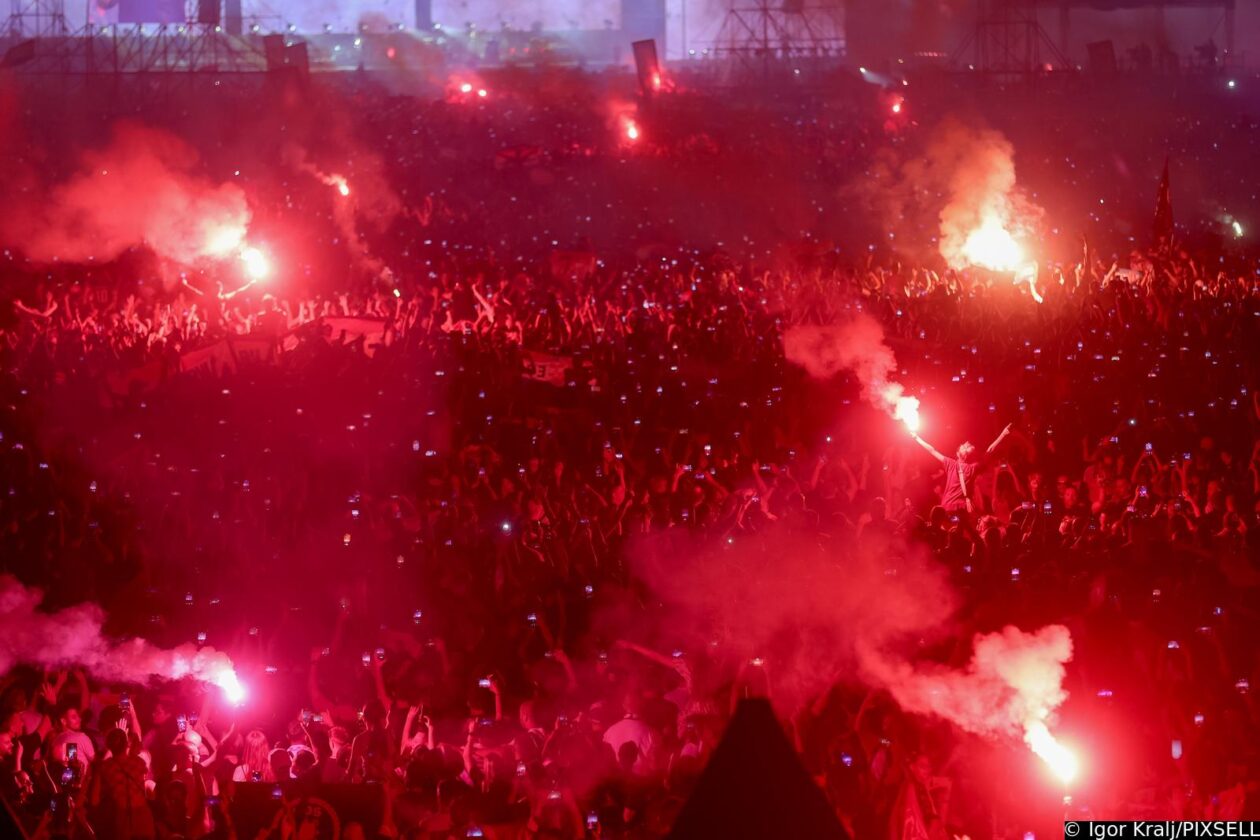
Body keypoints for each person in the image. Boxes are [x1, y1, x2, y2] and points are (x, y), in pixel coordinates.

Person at [911, 423, 1012, 517]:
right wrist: (916, 438)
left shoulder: (973, 468)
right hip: (950, 508)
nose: (967, 444)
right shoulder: (951, 464)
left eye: (967, 445)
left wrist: (1003, 434)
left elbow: (989, 451)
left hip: (960, 508)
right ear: (958, 454)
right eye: (964, 446)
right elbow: (932, 450)